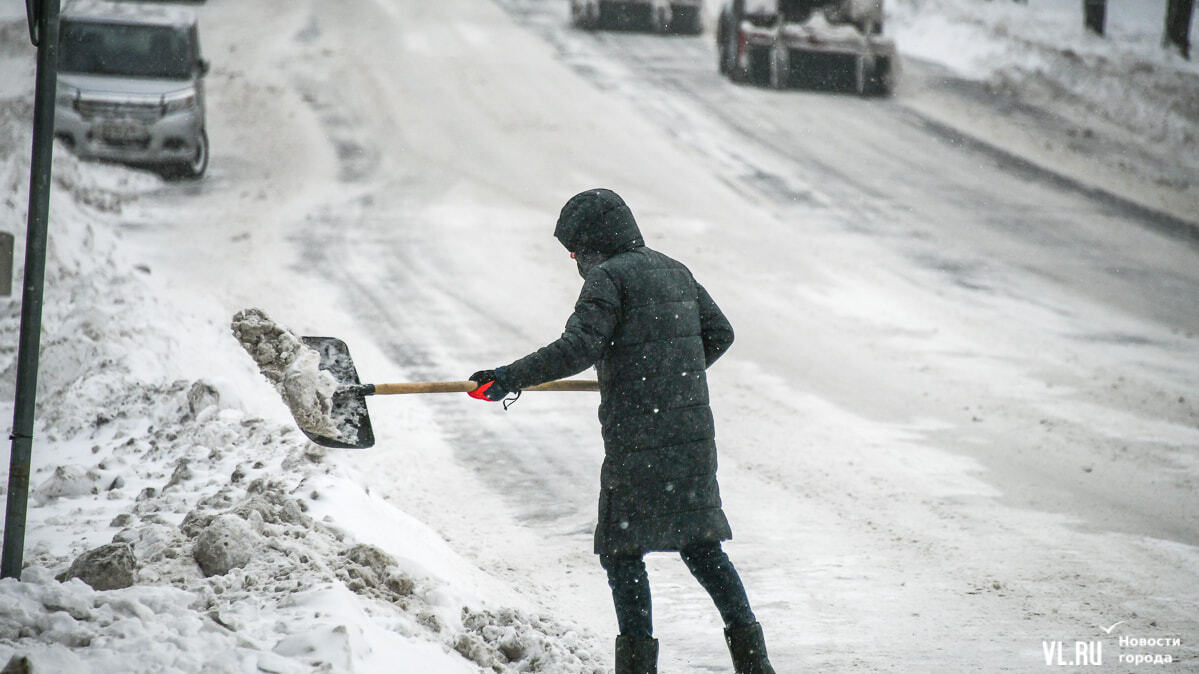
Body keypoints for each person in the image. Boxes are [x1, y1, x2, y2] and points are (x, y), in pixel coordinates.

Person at [468, 189, 775, 674]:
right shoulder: (674, 269)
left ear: (590, 244)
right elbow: (720, 333)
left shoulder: (608, 278)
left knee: (622, 548)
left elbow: (578, 348)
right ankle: (755, 665)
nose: (573, 260)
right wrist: (666, 374)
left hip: (639, 441)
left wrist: (506, 377)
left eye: (573, 251)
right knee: (700, 543)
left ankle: (637, 667)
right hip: (689, 434)